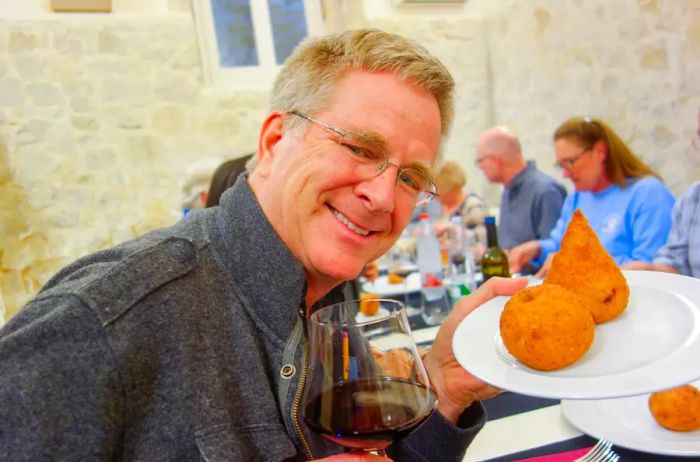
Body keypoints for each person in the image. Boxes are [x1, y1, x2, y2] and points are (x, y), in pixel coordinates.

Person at [0, 28, 527, 461]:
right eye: (360, 147)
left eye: (411, 177)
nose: (383, 195)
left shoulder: (332, 296)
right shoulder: (102, 322)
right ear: (275, 142)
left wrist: (444, 383)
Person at [509, 117, 675, 276]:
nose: (565, 174)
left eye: (571, 162)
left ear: (600, 151)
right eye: (561, 165)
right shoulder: (577, 197)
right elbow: (558, 244)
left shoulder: (647, 193)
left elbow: (651, 266)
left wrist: (580, 265)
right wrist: (537, 249)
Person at [475, 126, 566, 268]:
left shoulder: (545, 191)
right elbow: (508, 245)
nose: (480, 167)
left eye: (480, 161)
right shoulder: (507, 190)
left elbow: (558, 254)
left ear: (496, 159)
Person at [432, 160, 486, 246]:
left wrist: (455, 230)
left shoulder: (472, 204)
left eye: (445, 195)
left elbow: (482, 236)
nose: (440, 200)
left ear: (454, 188)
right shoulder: (445, 206)